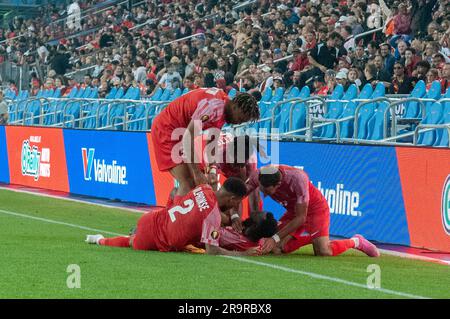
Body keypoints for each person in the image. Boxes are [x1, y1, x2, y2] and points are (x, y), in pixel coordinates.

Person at [86, 178, 262, 256]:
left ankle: (101, 239)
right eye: (237, 203)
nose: (235, 207)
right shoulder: (213, 217)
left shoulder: (204, 188)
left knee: (133, 238)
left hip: (153, 218)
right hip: (155, 238)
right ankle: (100, 240)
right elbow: (212, 251)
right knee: (132, 242)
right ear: (233, 199)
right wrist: (243, 254)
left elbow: (192, 206)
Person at [246, 165, 380, 257]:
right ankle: (314, 238)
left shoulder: (298, 179)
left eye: (267, 191)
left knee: (323, 251)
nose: (264, 194)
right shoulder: (258, 175)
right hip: (294, 211)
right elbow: (238, 193)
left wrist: (274, 238)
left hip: (315, 209)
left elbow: (301, 218)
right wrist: (233, 216)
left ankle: (356, 241)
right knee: (275, 249)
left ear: (278, 185)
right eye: (261, 189)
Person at [150, 88, 259, 201]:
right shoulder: (213, 107)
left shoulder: (223, 107)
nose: (238, 123)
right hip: (167, 129)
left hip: (177, 132)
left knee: (195, 184)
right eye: (240, 119)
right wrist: (197, 172)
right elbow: (188, 137)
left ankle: (172, 209)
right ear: (235, 106)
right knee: (189, 182)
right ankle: (178, 217)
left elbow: (211, 143)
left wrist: (211, 170)